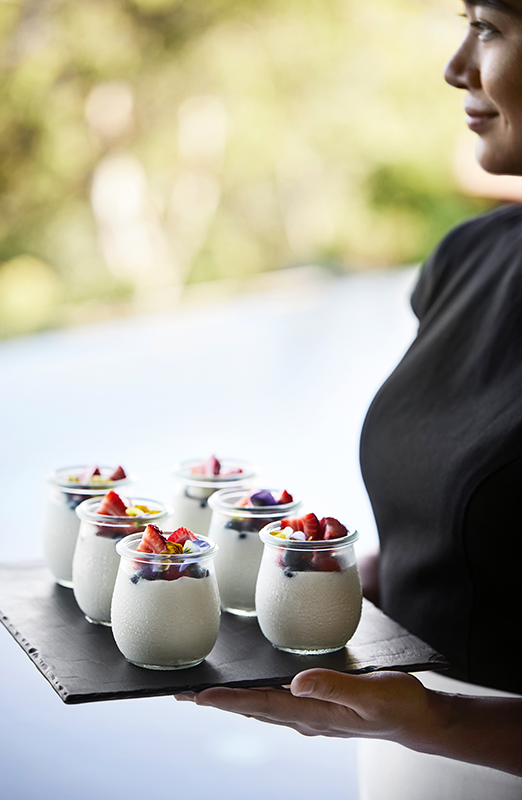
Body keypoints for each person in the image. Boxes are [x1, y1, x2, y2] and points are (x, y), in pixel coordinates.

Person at [176, 1, 522, 796]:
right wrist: (321, 587)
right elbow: (466, 544)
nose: (455, 66)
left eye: (490, 27)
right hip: (404, 764)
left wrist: (446, 723)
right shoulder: (467, 260)